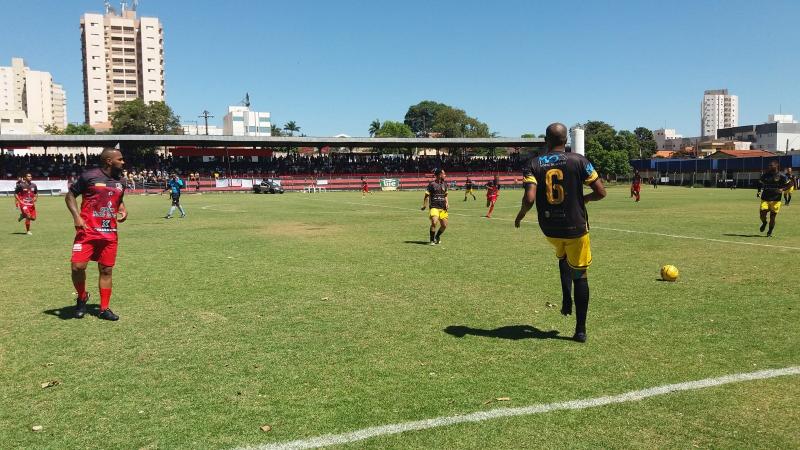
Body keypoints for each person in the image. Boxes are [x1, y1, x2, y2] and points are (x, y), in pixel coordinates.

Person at [514, 123, 606, 343]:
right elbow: (601, 192)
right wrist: (583, 199)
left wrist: (520, 216)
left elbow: (529, 198)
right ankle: (580, 330)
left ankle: (566, 299)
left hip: (550, 229)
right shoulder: (579, 160)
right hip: (575, 227)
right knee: (580, 274)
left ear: (546, 139)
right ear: (566, 140)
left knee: (563, 256)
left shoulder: (533, 164)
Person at [65, 148, 128, 321]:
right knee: (77, 267)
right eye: (120, 159)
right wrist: (77, 217)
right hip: (87, 231)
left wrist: (122, 209)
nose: (123, 162)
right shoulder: (89, 176)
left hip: (109, 234)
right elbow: (70, 196)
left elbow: (118, 200)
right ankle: (82, 296)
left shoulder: (121, 181)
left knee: (106, 270)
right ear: (109, 161)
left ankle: (104, 308)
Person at [756, 160, 791, 237]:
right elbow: (759, 183)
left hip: (776, 200)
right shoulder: (765, 175)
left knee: (772, 217)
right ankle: (764, 222)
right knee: (762, 214)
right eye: (769, 165)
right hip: (765, 198)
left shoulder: (781, 176)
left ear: (776, 166)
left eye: (771, 166)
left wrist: (782, 189)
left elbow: (789, 184)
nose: (769, 167)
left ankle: (770, 232)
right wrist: (759, 191)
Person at [421, 168, 448, 245]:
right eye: (444, 174)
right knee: (434, 222)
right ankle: (432, 240)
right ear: (440, 175)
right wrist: (424, 205)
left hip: (443, 208)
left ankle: (437, 236)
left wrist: (447, 203)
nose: (445, 175)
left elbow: (445, 195)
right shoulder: (432, 184)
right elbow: (426, 196)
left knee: (444, 225)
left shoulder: (445, 184)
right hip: (434, 207)